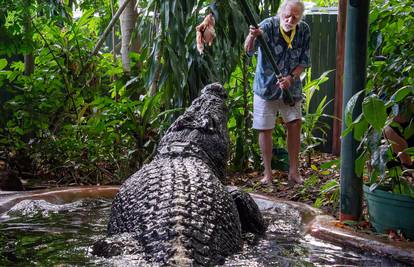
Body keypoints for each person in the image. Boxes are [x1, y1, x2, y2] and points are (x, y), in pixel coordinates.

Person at [244, 0, 311, 185]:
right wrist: (252, 36)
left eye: (295, 16)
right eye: (287, 15)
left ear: (300, 16)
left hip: (291, 88)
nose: (290, 19)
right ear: (280, 13)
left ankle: (294, 172)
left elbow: (304, 61)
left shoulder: (303, 30)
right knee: (265, 128)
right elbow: (248, 51)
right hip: (266, 87)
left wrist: (291, 78)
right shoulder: (266, 26)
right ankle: (267, 174)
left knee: (295, 124)